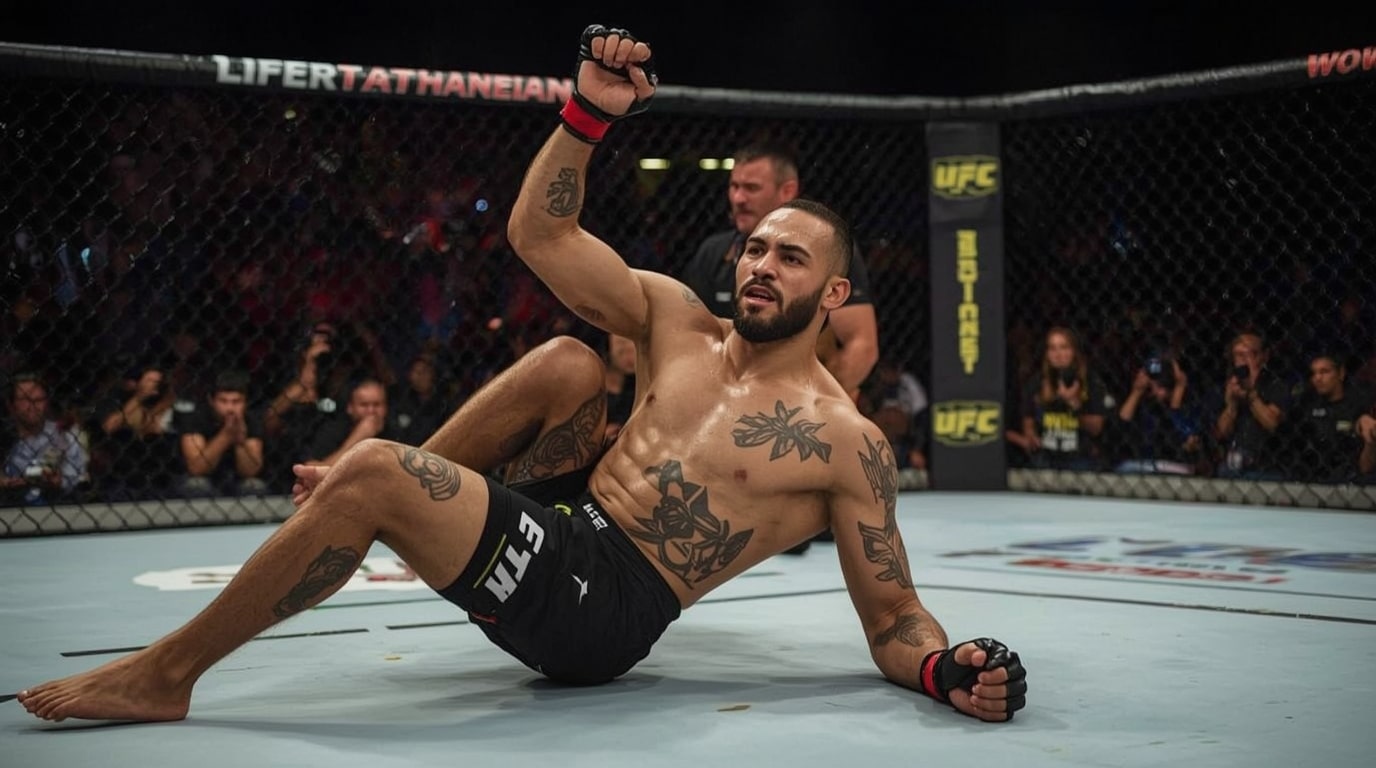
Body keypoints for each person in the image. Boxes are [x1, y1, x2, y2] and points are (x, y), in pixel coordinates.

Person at [16, 25, 1026, 725]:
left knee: (370, 470)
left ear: (836, 292)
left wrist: (942, 669)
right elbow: (538, 233)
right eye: (755, 247)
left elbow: (892, 616)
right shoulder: (677, 317)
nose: (759, 265)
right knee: (564, 361)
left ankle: (167, 674)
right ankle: (388, 490)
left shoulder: (843, 440)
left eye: (788, 257)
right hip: (564, 522)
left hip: (605, 608)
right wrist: (585, 116)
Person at [680, 142, 879, 402]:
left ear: (788, 190)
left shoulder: (824, 250)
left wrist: (822, 408)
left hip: (799, 397)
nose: (739, 198)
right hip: (723, 393)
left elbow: (861, 345)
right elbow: (690, 335)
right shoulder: (715, 251)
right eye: (734, 186)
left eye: (752, 188)